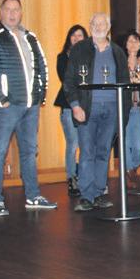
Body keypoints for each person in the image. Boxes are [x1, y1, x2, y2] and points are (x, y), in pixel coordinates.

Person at [0, 0, 56, 216]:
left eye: (16, 10)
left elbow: (42, 66)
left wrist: (39, 97)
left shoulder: (30, 37)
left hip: (30, 106)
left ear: (21, 12)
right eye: (8, 9)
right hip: (7, 108)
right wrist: (0, 100)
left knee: (29, 152)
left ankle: (33, 196)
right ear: (1, 12)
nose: (12, 14)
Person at [65, 13, 131, 212]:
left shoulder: (118, 52)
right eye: (96, 23)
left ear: (109, 27)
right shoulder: (79, 49)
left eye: (103, 24)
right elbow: (69, 81)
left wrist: (123, 112)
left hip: (112, 108)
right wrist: (75, 106)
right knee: (87, 152)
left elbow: (125, 83)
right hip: (87, 108)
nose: (99, 27)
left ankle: (99, 192)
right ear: (90, 25)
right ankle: (86, 196)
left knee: (103, 152)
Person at [55, 24, 87, 196]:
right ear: (69, 38)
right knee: (73, 143)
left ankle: (84, 177)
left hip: (87, 105)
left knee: (85, 144)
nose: (76, 38)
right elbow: (66, 79)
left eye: (80, 35)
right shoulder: (62, 57)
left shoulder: (90, 56)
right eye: (73, 35)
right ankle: (71, 178)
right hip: (68, 106)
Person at [118, 29, 140, 185]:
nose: (133, 44)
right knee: (125, 141)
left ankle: (132, 167)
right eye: (130, 41)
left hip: (138, 107)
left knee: (138, 145)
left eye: (136, 40)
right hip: (123, 106)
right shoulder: (120, 61)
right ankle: (128, 170)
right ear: (125, 44)